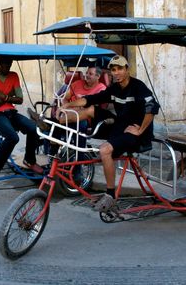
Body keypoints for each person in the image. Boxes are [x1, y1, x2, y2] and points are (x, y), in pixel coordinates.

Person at [58, 55, 159, 212]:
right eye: (113, 70)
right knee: (91, 109)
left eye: (120, 69)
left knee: (105, 150)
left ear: (127, 69)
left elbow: (152, 108)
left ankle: (110, 195)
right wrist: (67, 105)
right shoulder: (114, 88)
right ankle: (58, 123)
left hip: (137, 133)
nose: (116, 73)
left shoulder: (138, 87)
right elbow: (90, 99)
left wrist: (140, 130)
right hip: (120, 125)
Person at [0, 56, 44, 180]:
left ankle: (29, 161)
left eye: (9, 65)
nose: (7, 68)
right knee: (13, 137)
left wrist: (4, 97)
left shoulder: (14, 75)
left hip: (11, 112)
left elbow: (20, 99)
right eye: (4, 65)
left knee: (34, 128)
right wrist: (10, 96)